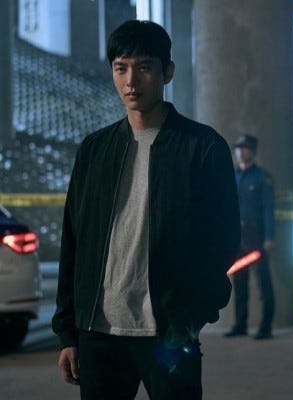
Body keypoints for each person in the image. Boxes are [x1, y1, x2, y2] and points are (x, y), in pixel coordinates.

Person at [51, 20, 240, 399]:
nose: (131, 81)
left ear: (167, 72)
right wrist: (68, 332)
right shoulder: (94, 150)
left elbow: (223, 240)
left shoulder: (202, 147)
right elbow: (73, 242)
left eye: (144, 67)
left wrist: (192, 317)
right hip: (98, 334)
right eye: (120, 68)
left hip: (169, 335)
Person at [224, 135, 276, 340]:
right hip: (237, 237)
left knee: (263, 282)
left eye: (245, 148)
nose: (240, 151)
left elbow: (268, 209)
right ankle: (240, 325)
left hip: (256, 236)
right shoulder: (233, 176)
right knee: (239, 282)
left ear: (252, 151)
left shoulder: (262, 177)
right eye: (238, 148)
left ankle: (266, 327)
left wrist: (269, 237)